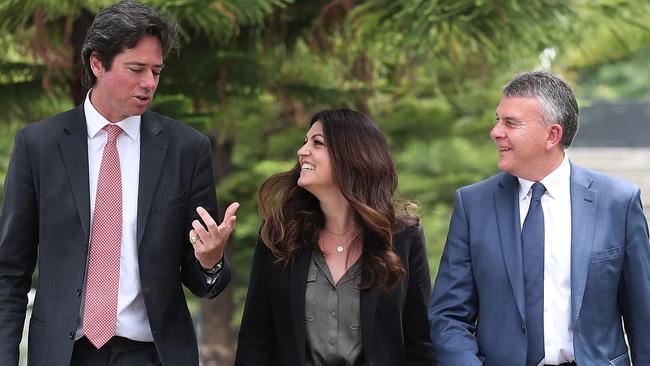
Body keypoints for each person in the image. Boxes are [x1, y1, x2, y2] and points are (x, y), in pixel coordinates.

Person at [0, 1, 238, 365]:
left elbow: (204, 280)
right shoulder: (39, 146)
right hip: (64, 354)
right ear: (98, 64)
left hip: (153, 354)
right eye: (136, 69)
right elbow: (9, 274)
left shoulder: (187, 150)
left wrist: (210, 261)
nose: (149, 83)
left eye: (156, 71)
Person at [429, 71, 650, 365]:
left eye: (510, 123)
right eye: (498, 119)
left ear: (552, 135)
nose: (496, 131)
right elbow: (449, 316)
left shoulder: (618, 203)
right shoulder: (473, 205)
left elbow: (643, 318)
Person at [234, 108, 435, 365]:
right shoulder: (278, 235)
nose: (302, 151)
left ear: (350, 156)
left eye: (317, 143)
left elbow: (421, 343)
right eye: (305, 141)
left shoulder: (403, 238)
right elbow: (255, 338)